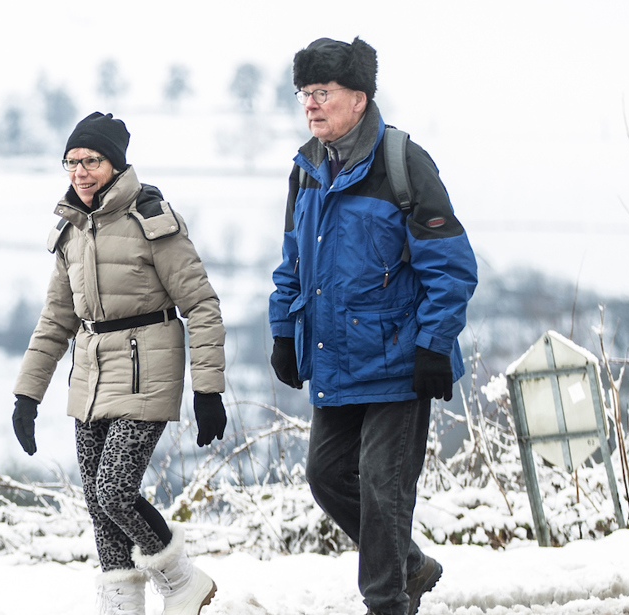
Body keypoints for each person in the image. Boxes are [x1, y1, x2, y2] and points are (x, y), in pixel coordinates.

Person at [268, 37, 478, 615]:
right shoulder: (306, 169)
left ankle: (387, 601)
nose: (311, 104)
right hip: (337, 359)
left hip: (399, 360)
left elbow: (452, 265)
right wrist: (284, 331)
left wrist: (434, 345)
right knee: (326, 476)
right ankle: (409, 565)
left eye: (323, 93)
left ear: (358, 98)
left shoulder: (402, 163)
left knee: (383, 487)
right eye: (304, 93)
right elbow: (292, 262)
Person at [11, 111, 229, 615]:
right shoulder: (69, 233)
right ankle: (120, 604)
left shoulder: (151, 220)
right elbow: (54, 321)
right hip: (88, 376)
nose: (80, 172)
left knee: (114, 491)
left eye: (91, 160)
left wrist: (207, 388)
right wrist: (27, 395)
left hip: (145, 371)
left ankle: (180, 579)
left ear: (115, 163)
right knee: (97, 503)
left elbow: (201, 304)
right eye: (71, 163)